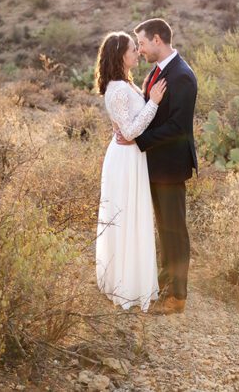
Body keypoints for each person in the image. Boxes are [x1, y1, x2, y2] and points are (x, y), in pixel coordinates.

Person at [116, 18, 197, 316]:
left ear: (158, 40)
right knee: (163, 228)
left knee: (175, 230)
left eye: (142, 43)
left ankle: (178, 296)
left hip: (171, 166)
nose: (140, 49)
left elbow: (178, 127)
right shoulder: (156, 71)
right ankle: (164, 285)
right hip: (154, 165)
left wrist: (139, 140)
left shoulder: (182, 76)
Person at [95, 31, 167, 312]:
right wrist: (154, 102)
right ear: (119, 55)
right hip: (126, 159)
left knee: (129, 217)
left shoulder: (122, 85)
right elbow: (131, 130)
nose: (137, 52)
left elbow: (126, 127)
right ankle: (127, 285)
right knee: (127, 218)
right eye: (132, 49)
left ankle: (125, 278)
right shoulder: (120, 89)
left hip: (127, 156)